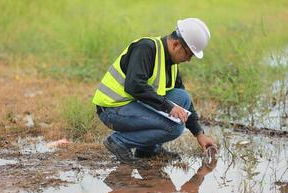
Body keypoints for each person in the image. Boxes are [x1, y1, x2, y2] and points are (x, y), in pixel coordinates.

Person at [92, 18, 217, 163]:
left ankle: (148, 150)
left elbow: (185, 103)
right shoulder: (146, 48)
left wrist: (199, 134)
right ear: (176, 45)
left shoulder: (172, 63)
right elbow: (134, 85)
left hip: (133, 105)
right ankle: (119, 142)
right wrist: (169, 107)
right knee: (174, 128)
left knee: (182, 97)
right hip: (112, 109)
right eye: (189, 54)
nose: (189, 60)